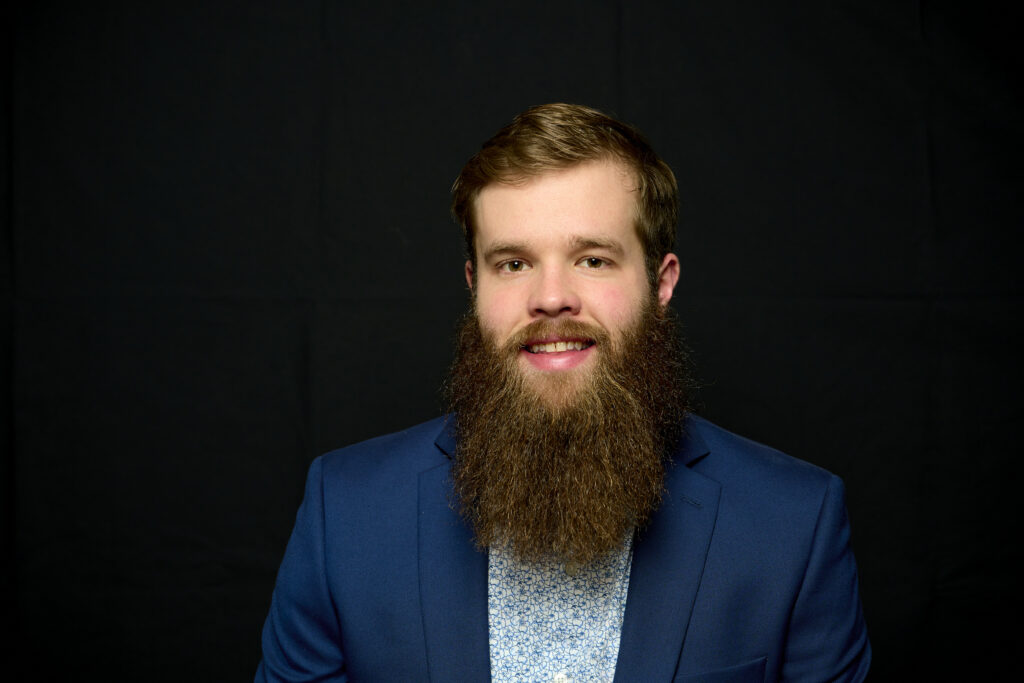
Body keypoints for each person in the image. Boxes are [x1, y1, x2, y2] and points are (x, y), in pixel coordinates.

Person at [256, 103, 871, 682]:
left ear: (660, 283)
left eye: (593, 260)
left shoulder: (794, 525)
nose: (551, 298)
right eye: (513, 264)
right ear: (474, 286)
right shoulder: (345, 514)